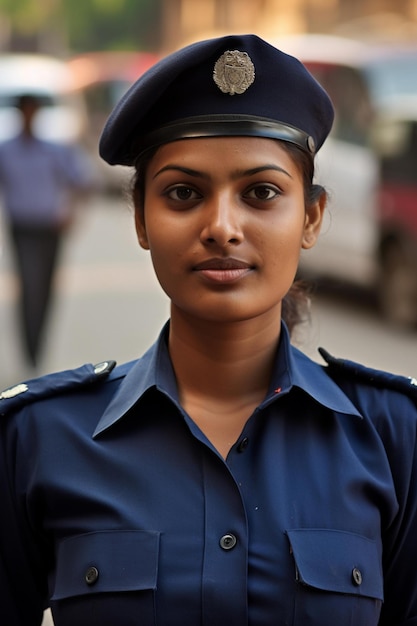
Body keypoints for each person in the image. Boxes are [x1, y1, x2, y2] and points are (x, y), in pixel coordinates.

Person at [1, 34, 417, 626]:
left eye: (261, 192)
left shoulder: (394, 438)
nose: (222, 226)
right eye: (184, 193)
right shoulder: (37, 439)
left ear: (312, 217)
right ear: (141, 217)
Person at [0, 93, 93, 368]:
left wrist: (71, 213)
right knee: (29, 286)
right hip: (22, 226)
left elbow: (81, 182)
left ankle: (38, 348)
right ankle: (30, 351)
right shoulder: (7, 150)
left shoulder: (54, 150)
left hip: (49, 227)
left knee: (45, 288)